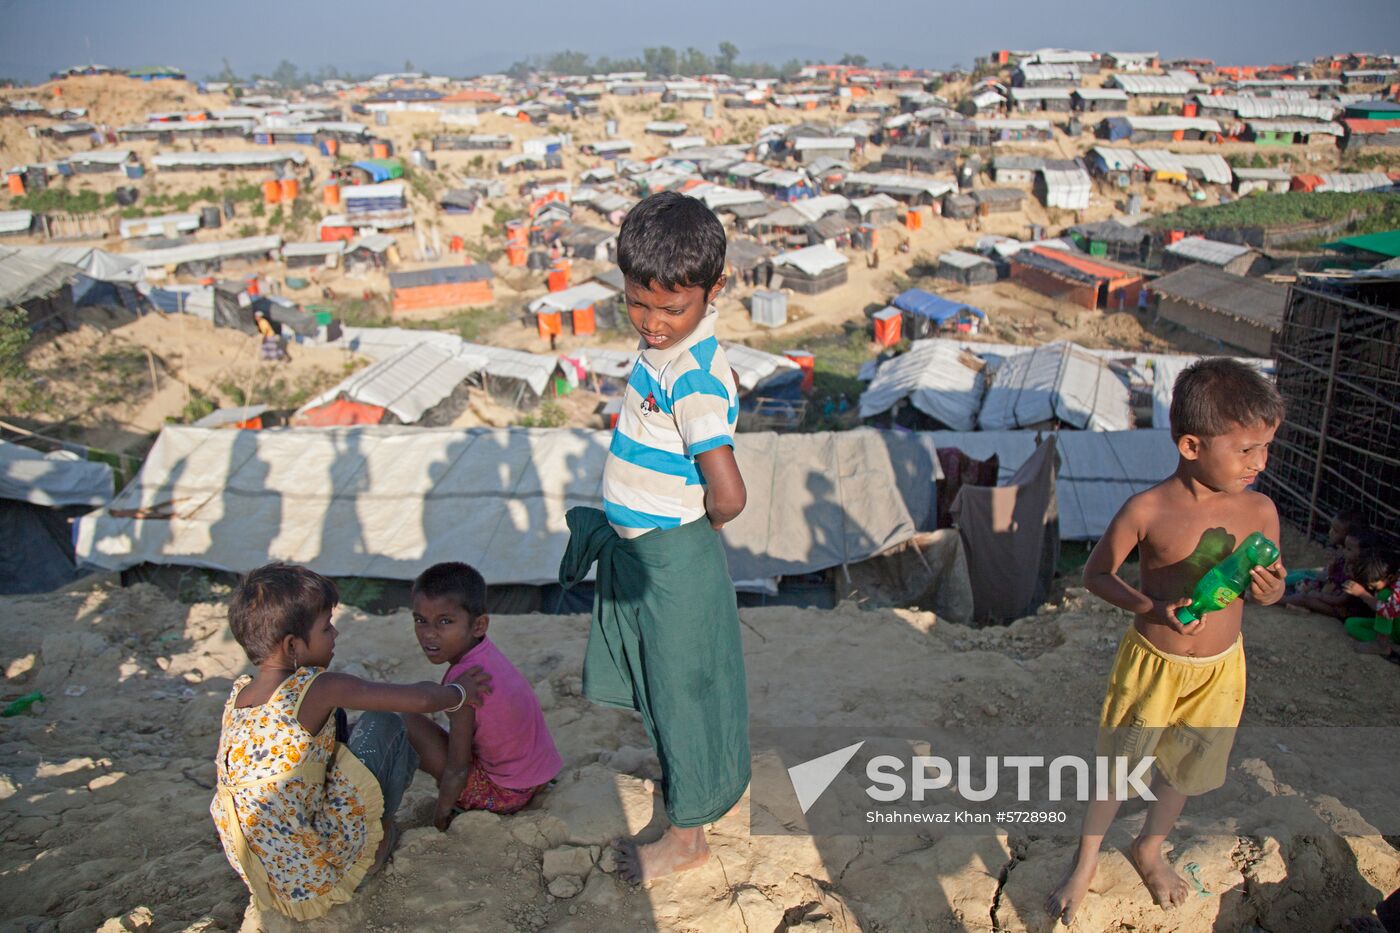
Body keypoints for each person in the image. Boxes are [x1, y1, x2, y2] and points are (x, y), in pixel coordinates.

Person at [1046, 358, 1287, 925]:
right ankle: (1085, 862)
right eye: (1246, 450)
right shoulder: (1148, 510)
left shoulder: (1260, 511)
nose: (1261, 463)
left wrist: (1272, 590)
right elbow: (1097, 576)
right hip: (1154, 664)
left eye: (1266, 448)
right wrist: (1153, 607)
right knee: (1120, 768)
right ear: (1190, 445)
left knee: (1183, 767)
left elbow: (1267, 592)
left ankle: (1149, 847)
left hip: (1220, 671)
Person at [558, 191, 750, 883]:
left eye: (673, 308)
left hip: (674, 558)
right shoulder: (663, 354)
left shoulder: (694, 376)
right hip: (649, 554)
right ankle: (687, 790)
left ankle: (688, 838)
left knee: (682, 694)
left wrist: (687, 531)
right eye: (640, 304)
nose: (655, 322)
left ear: (712, 290)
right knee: (665, 688)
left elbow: (728, 493)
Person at [210, 563, 491, 921]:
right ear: (292, 645)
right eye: (326, 627)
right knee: (384, 724)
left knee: (344, 725)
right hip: (323, 874)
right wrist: (459, 692)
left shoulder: (241, 696)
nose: (336, 633)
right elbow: (420, 701)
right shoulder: (317, 687)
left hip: (273, 877)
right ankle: (377, 842)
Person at [402, 562, 563, 830]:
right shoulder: (485, 654)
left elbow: (457, 769)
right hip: (537, 778)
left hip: (504, 795)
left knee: (407, 723)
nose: (428, 633)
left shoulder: (466, 680)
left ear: (479, 625)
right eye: (420, 620)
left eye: (445, 621)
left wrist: (441, 816)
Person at [1341, 549, 1399, 657]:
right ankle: (1392, 646)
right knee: (1351, 624)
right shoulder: (1392, 579)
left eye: (1374, 586)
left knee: (1384, 595)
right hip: (1394, 630)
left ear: (1390, 577)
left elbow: (1388, 611)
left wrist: (1363, 594)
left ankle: (1381, 645)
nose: (1370, 588)